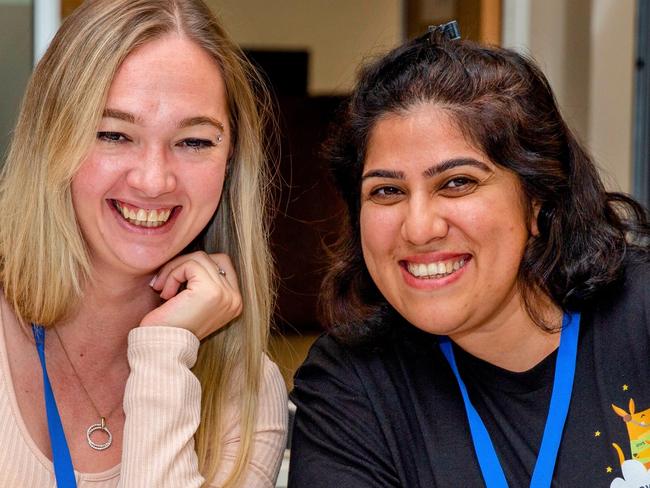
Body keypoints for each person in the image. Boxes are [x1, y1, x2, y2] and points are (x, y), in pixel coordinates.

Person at [288, 24, 650, 487]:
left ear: (538, 199)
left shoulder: (638, 319)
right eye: (387, 190)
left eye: (457, 183)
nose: (419, 228)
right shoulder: (351, 384)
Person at [0, 0, 287, 486]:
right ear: (51, 138)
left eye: (194, 142)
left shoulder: (249, 393)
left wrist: (164, 354)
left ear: (231, 161)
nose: (154, 181)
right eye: (113, 135)